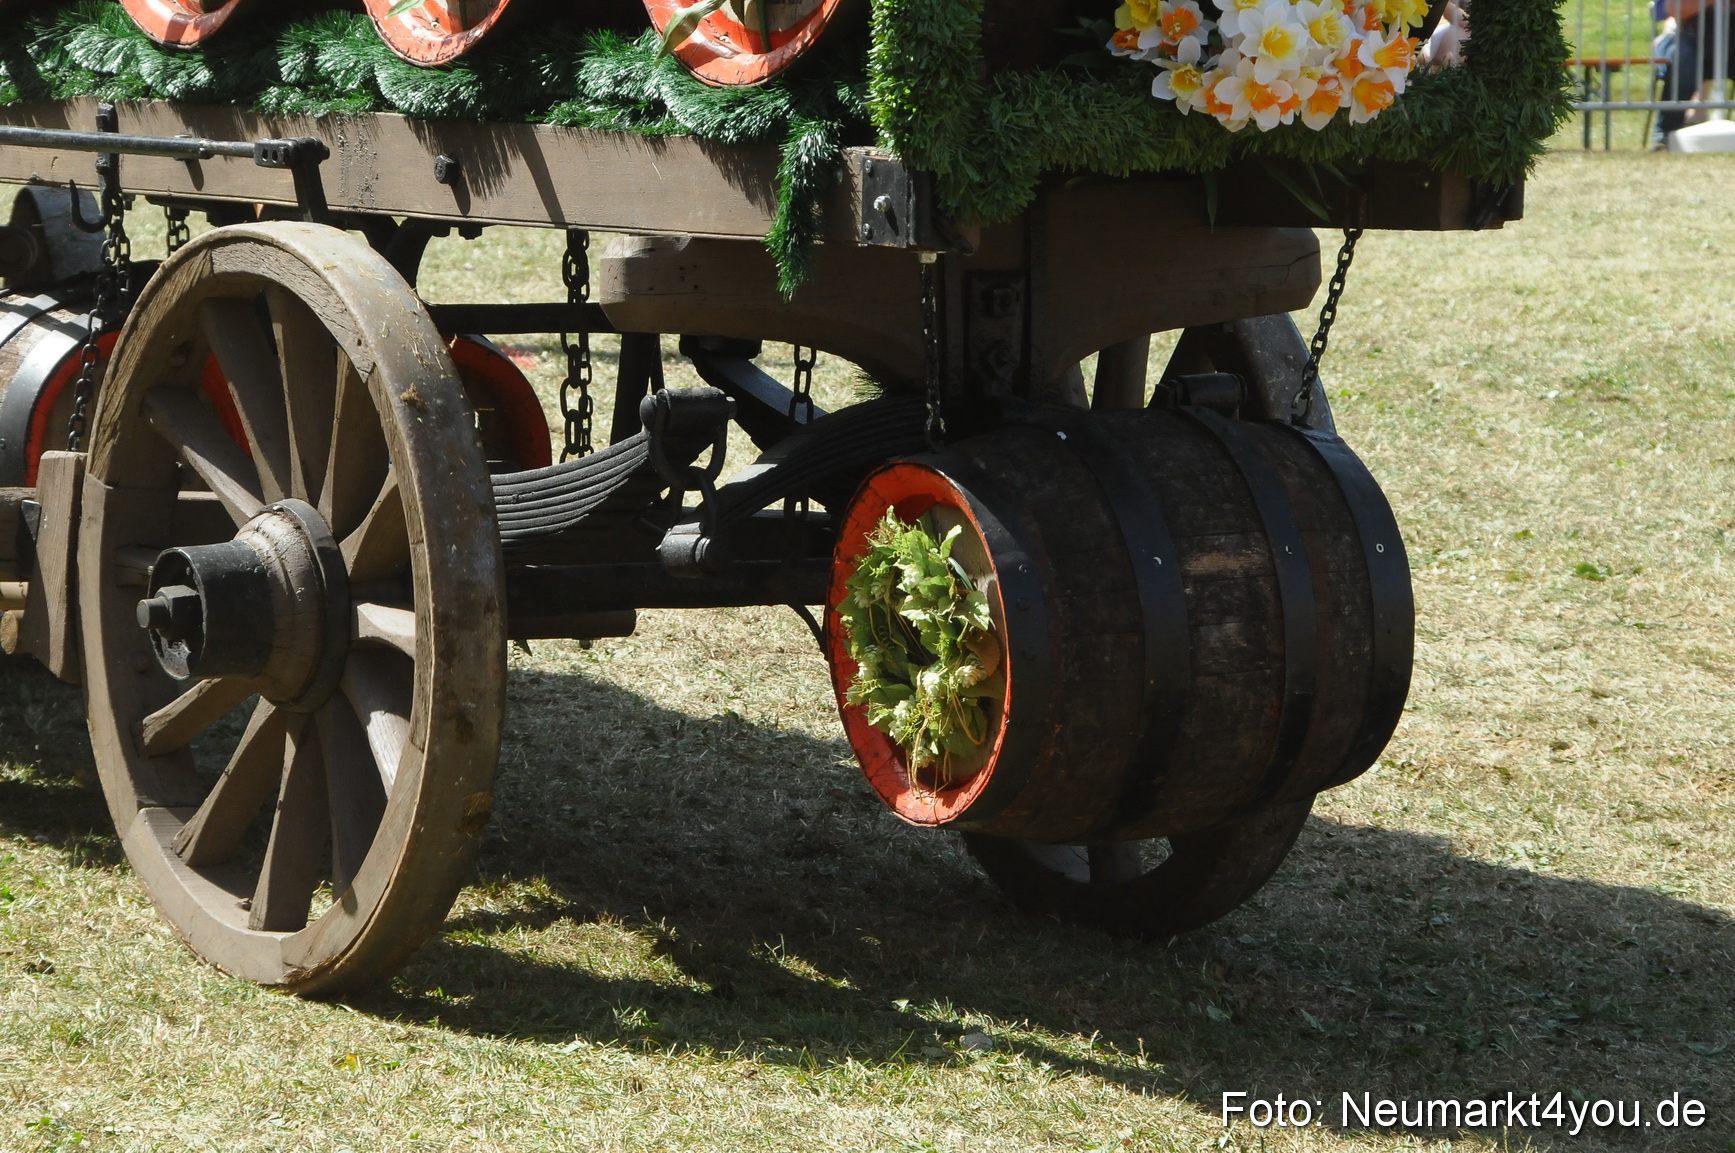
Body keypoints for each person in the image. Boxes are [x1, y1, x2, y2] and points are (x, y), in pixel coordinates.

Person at [1655, 0, 1735, 145]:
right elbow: (1677, 10)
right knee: (1682, 60)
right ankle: (1665, 135)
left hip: (1731, 37)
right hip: (1689, 39)